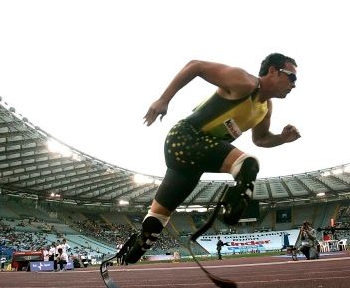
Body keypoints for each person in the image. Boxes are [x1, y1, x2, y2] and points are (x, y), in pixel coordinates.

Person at [120, 54, 301, 264]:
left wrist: (282, 139)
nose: (294, 85)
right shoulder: (245, 82)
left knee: (158, 218)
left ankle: (131, 254)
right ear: (272, 71)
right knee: (248, 164)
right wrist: (164, 99)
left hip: (193, 161)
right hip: (185, 138)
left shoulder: (266, 108)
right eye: (292, 78)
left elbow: (260, 139)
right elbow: (196, 65)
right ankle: (232, 209)